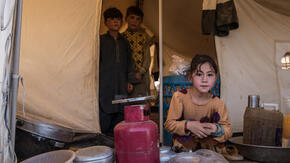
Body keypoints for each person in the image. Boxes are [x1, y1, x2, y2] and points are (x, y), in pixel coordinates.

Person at [164, 54, 232, 152]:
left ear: (215, 78)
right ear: (190, 77)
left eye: (209, 75)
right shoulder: (179, 97)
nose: (204, 80)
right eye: (199, 74)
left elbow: (228, 130)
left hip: (210, 152)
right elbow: (169, 124)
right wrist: (189, 125)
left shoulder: (218, 104)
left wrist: (215, 129)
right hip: (184, 151)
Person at [99, 7, 135, 137]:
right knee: (105, 107)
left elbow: (130, 62)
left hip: (121, 83)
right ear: (106, 23)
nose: (115, 22)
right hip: (105, 82)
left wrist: (130, 80)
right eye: (112, 19)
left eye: (118, 19)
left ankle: (117, 138)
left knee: (120, 108)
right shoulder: (101, 41)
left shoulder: (124, 41)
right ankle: (105, 138)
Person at [122, 6, 153, 97]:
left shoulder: (144, 37)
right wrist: (129, 77)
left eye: (138, 19)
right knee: (128, 106)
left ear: (141, 22)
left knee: (142, 105)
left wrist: (140, 72)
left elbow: (147, 58)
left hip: (142, 76)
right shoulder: (122, 38)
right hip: (127, 77)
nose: (134, 21)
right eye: (132, 18)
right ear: (126, 18)